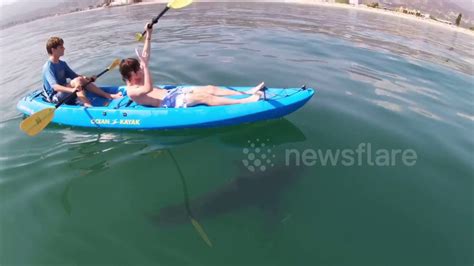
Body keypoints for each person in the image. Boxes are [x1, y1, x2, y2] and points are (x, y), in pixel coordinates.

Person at [119, 23, 265, 108]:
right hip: (169, 102)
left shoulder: (138, 75)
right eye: (136, 70)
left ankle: (248, 91)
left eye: (139, 68)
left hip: (174, 92)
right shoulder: (132, 91)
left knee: (210, 88)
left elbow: (145, 55)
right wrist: (145, 66)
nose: (140, 70)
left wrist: (149, 34)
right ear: (129, 76)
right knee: (204, 96)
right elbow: (148, 89)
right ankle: (245, 101)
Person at [42, 37, 122, 107]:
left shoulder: (62, 63)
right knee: (77, 81)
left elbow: (75, 76)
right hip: (55, 97)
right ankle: (87, 105)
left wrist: (88, 78)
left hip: (65, 92)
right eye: (61, 47)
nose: (64, 48)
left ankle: (108, 95)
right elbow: (55, 87)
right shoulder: (48, 67)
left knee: (79, 79)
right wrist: (72, 90)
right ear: (53, 50)